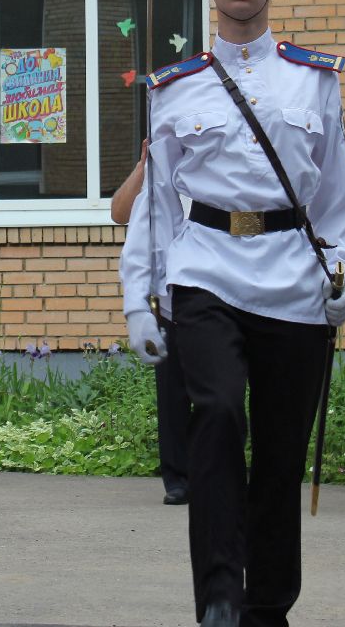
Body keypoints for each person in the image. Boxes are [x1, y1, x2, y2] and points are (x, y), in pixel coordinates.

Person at [117, 0, 345, 627]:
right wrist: (140, 296)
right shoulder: (173, 87)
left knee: (282, 455)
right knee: (219, 413)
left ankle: (267, 606)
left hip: (292, 277)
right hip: (208, 270)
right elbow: (157, 205)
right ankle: (219, 594)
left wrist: (343, 271)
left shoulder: (314, 80)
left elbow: (337, 194)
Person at [110, 142, 190, 506]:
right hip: (172, 295)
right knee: (173, 392)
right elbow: (120, 212)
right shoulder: (161, 175)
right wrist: (145, 165)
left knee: (221, 395)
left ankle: (217, 469)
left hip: (224, 288)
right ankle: (178, 478)